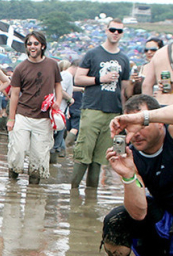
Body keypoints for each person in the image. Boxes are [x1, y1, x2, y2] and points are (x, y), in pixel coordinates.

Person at [103, 95, 173, 256]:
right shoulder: (132, 156)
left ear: (160, 122)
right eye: (129, 128)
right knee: (116, 220)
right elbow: (138, 213)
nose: (135, 133)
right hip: (165, 212)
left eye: (141, 127)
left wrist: (143, 117)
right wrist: (128, 175)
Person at [71, 18, 132, 189]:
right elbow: (79, 78)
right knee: (83, 153)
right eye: (113, 30)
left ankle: (91, 197)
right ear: (106, 30)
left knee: (100, 158)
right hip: (92, 108)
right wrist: (100, 79)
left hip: (114, 111)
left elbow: (125, 89)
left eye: (119, 31)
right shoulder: (93, 54)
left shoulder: (124, 59)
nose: (115, 33)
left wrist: (125, 114)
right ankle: (73, 193)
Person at [7, 31, 62, 185]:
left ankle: (34, 192)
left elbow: (58, 84)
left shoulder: (52, 65)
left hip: (44, 117)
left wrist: (58, 101)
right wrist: (11, 119)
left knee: (38, 157)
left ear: (42, 46)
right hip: (23, 114)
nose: (32, 46)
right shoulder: (20, 68)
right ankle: (12, 183)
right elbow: (15, 94)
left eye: (35, 43)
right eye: (29, 44)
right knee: (18, 151)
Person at [141, 30, 173, 105]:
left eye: (153, 50)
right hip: (168, 105)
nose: (149, 52)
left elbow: (146, 85)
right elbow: (145, 86)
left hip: (161, 104)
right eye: (146, 50)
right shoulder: (141, 68)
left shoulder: (160, 59)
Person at [50, 59, 74, 164]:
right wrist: (70, 99)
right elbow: (61, 90)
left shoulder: (62, 75)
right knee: (57, 134)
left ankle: (57, 154)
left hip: (59, 108)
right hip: (60, 108)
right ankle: (55, 156)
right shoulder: (67, 75)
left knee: (57, 133)